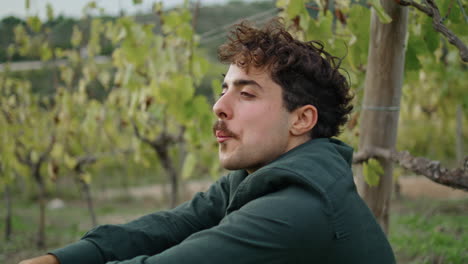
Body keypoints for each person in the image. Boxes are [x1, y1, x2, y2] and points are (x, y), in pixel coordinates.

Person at [20, 19, 395, 264]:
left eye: (246, 94)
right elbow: (171, 226)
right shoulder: (258, 178)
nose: (219, 106)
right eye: (223, 90)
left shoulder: (298, 210)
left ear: (301, 119)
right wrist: (60, 260)